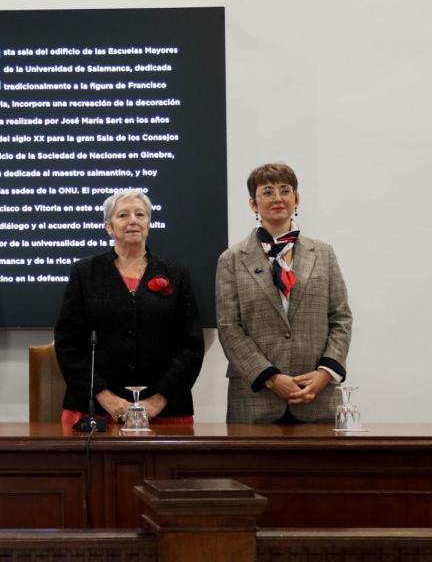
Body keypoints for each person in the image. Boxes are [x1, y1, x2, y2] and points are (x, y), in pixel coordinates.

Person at [54, 190, 203, 427]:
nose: (133, 220)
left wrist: (158, 400)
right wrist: (105, 397)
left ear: (148, 224)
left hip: (166, 409)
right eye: (123, 215)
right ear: (109, 227)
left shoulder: (176, 274)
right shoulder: (84, 273)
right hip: (96, 409)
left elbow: (191, 346)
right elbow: (68, 343)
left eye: (140, 214)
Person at [217, 163, 352, 424]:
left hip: (317, 397)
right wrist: (270, 377)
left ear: (296, 199)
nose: (277, 198)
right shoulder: (231, 259)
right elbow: (228, 327)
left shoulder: (323, 253)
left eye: (285, 190)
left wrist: (325, 373)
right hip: (254, 400)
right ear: (253, 205)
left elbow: (341, 318)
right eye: (267, 192)